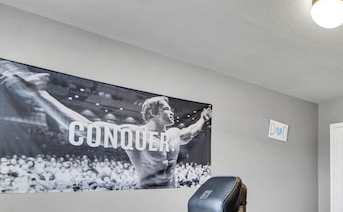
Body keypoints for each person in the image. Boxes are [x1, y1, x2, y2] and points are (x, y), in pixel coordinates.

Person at [0, 61, 211, 189]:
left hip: (171, 196)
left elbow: (190, 132)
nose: (172, 112)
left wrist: (203, 117)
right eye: (167, 109)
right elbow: (83, 128)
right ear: (154, 113)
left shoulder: (174, 133)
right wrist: (40, 95)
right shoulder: (134, 135)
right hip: (145, 195)